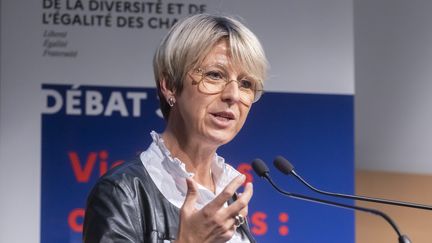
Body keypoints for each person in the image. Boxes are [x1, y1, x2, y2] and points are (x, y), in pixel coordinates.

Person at [83, 13, 268, 243]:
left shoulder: (228, 195)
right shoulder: (123, 193)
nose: (233, 95)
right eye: (214, 75)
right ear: (170, 86)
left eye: (246, 84)